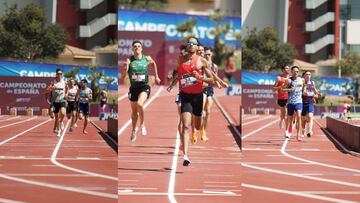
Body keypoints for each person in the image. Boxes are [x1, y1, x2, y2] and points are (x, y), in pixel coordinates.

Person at [174, 37, 214, 166]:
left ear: (197, 47)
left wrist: (200, 77)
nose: (191, 45)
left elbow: (211, 79)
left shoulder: (202, 61)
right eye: (189, 43)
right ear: (187, 46)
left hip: (198, 96)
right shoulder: (180, 59)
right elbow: (177, 73)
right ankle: (185, 155)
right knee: (185, 125)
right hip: (186, 96)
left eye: (194, 43)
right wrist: (173, 79)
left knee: (196, 126)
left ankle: (200, 122)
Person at [121, 40, 161, 143]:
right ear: (132, 48)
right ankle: (134, 130)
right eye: (135, 46)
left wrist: (156, 76)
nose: (137, 48)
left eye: (139, 46)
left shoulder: (147, 59)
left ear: (142, 48)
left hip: (144, 87)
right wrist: (125, 68)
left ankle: (142, 124)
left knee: (140, 104)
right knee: (134, 113)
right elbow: (123, 76)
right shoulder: (129, 60)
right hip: (133, 88)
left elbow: (154, 64)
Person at [282, 66, 304, 141]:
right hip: (290, 102)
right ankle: (289, 128)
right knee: (290, 119)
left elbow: (304, 89)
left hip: (299, 101)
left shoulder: (302, 80)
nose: (296, 73)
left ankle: (298, 134)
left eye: (297, 71)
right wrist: (290, 89)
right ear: (291, 72)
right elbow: (282, 89)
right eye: (294, 71)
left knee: (299, 116)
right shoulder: (288, 80)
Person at [46, 68, 68, 134]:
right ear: (56, 74)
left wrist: (66, 95)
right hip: (55, 101)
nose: (59, 75)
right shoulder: (53, 82)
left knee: (63, 113)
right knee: (55, 117)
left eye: (61, 74)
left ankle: (61, 122)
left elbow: (66, 89)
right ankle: (55, 128)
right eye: (58, 74)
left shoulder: (64, 82)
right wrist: (51, 88)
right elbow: (47, 90)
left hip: (62, 100)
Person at [301, 71, 320, 137]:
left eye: (309, 74)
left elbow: (314, 90)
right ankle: (303, 129)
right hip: (302, 102)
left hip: (310, 101)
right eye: (307, 74)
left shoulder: (312, 83)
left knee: (310, 116)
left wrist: (317, 94)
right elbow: (304, 92)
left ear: (310, 76)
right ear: (304, 76)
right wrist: (310, 93)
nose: (308, 75)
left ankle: (309, 130)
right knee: (303, 118)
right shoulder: (302, 83)